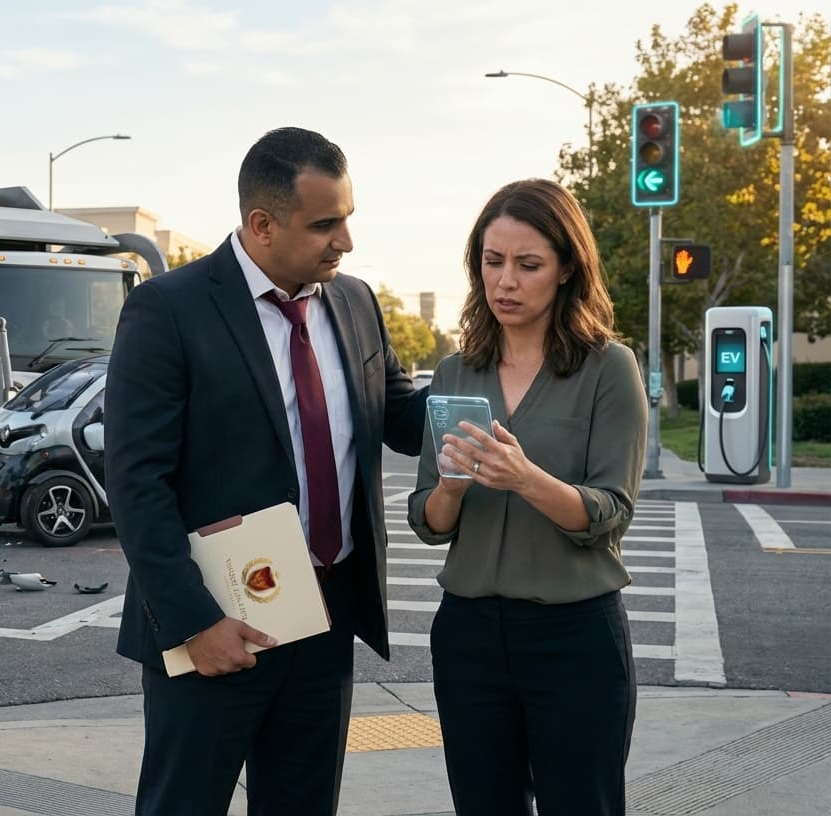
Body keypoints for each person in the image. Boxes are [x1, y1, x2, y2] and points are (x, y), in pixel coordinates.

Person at [105, 127, 427, 815]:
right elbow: (136, 483)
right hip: (217, 625)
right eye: (325, 225)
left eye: (347, 218)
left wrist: (511, 373)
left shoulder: (356, 303)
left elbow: (401, 417)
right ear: (261, 223)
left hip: (325, 622)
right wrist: (195, 623)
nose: (346, 241)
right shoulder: (168, 310)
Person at [407, 178, 648, 815]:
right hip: (469, 636)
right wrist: (453, 490)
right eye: (492, 262)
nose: (505, 281)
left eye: (527, 264)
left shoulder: (608, 368)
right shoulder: (458, 372)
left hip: (573, 634)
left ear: (567, 268)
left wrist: (525, 478)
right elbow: (429, 520)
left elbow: (611, 512)